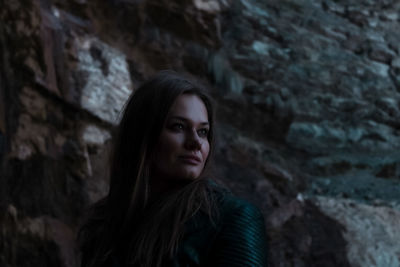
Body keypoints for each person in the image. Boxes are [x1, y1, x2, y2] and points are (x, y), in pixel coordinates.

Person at [78, 71, 268, 267]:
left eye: (203, 132)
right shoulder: (104, 224)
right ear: (143, 135)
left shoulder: (234, 218)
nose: (196, 143)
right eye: (178, 127)